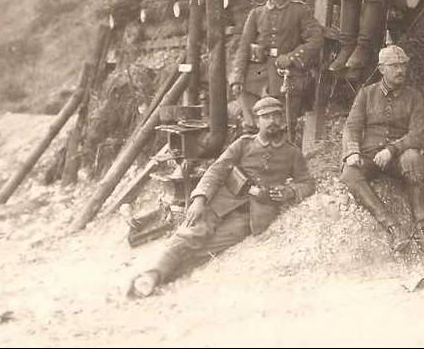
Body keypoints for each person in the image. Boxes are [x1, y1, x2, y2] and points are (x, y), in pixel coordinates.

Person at [129, 97, 314, 298]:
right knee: (191, 233)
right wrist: (200, 199)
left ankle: (159, 278)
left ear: (282, 120)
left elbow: (306, 183)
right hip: (223, 200)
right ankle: (153, 274)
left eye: (276, 116)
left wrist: (290, 192)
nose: (272, 121)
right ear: (257, 120)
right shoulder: (244, 144)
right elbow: (216, 171)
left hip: (252, 215)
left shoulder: (292, 153)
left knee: (211, 247)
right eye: (266, 117)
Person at [339, 45, 424, 256]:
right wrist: (352, 151)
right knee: (349, 173)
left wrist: (393, 150)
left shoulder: (414, 96)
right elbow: (351, 126)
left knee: (413, 158)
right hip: (370, 156)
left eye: (403, 65)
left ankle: (421, 227)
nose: (400, 70)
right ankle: (394, 228)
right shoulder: (366, 94)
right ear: (381, 69)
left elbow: (419, 134)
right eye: (394, 66)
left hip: (398, 157)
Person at [229, 0, 323, 134]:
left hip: (286, 73)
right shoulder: (256, 14)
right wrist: (237, 77)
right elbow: (243, 47)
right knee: (251, 122)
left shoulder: (299, 10)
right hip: (258, 74)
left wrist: (292, 57)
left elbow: (316, 38)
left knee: (284, 126)